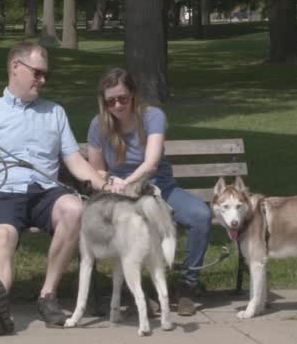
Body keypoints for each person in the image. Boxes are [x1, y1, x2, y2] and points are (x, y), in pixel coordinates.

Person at [0, 41, 111, 336]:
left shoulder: (54, 112)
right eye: (38, 73)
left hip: (44, 192)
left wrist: (105, 184)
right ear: (16, 67)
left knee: (74, 209)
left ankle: (47, 295)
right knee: (2, 236)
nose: (42, 80)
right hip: (2, 192)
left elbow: (75, 163)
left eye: (45, 76)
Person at [87, 67, 213, 316]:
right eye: (111, 101)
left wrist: (128, 181)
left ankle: (187, 286)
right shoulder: (98, 125)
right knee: (121, 228)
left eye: (122, 98)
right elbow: (96, 171)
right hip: (120, 196)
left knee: (201, 216)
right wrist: (109, 184)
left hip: (158, 187)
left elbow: (151, 162)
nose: (118, 105)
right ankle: (134, 293)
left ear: (133, 94)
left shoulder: (153, 116)